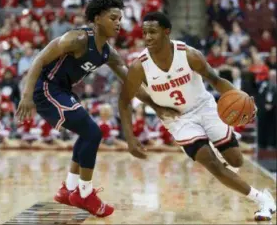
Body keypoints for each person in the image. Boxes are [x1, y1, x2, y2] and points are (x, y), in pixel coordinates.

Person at [16, 0, 178, 217]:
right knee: (92, 132)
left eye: (120, 18)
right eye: (113, 18)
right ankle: (84, 193)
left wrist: (157, 103)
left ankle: (69, 189)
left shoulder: (107, 52)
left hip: (63, 91)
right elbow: (39, 59)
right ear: (98, 18)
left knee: (87, 133)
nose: (119, 23)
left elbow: (131, 82)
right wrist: (26, 96)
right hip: (45, 89)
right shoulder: (77, 38)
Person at [118, 12, 276, 221]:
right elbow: (125, 100)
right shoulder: (140, 66)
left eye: (152, 32)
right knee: (211, 163)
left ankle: (225, 157)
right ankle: (262, 200)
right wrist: (131, 136)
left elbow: (216, 80)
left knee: (235, 160)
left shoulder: (189, 54)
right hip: (178, 119)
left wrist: (243, 99)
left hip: (204, 106)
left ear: (167, 32)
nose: (147, 37)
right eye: (145, 32)